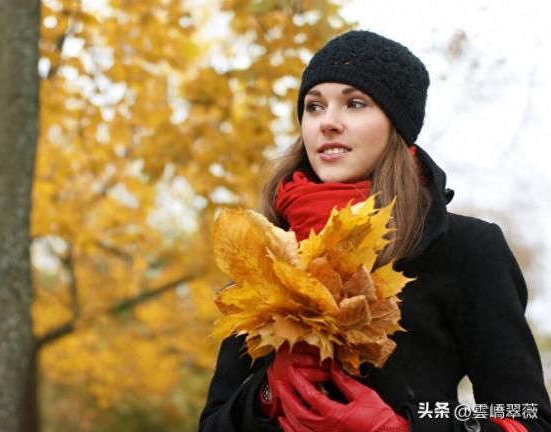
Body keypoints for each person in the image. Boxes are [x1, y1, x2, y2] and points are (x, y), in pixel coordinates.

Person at [198, 30, 551, 432]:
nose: (328, 122)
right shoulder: (266, 252)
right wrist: (265, 396)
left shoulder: (466, 249)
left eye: (355, 103)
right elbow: (211, 424)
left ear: (395, 124)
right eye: (314, 107)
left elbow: (527, 418)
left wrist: (405, 425)